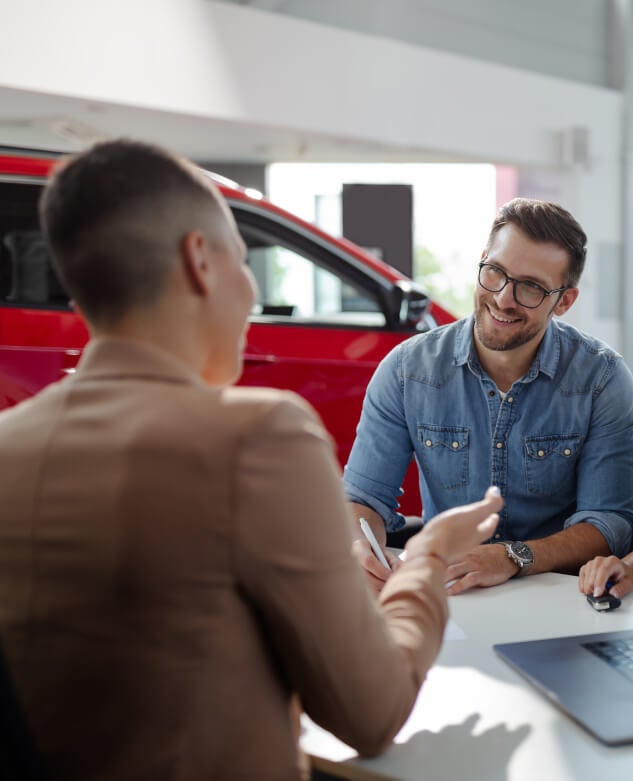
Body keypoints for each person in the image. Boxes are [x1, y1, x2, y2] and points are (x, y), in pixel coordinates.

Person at [0, 139, 503, 781]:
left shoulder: (8, 445)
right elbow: (371, 711)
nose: (250, 292)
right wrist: (428, 557)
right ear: (199, 261)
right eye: (244, 261)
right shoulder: (260, 436)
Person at [344, 197, 633, 596]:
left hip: (557, 595)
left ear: (564, 301)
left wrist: (514, 557)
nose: (503, 298)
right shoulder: (407, 371)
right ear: (482, 262)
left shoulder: (601, 379)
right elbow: (362, 499)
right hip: (450, 594)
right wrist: (362, 549)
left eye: (530, 287)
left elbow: (608, 523)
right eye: (495, 272)